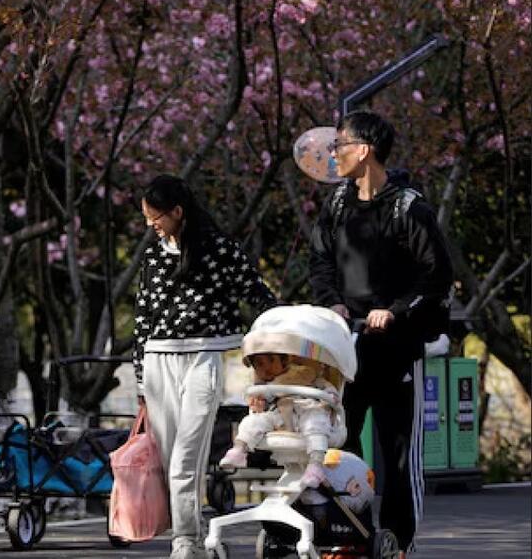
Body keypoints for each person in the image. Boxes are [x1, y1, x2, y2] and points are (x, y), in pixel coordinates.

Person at [309, 110, 452, 556]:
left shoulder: (409, 207)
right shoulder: (335, 204)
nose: (333, 155)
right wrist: (331, 299)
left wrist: (392, 311)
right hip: (345, 348)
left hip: (395, 349)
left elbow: (436, 277)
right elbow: (320, 260)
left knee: (397, 453)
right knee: (339, 445)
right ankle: (346, 532)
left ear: (364, 150)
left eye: (340, 146)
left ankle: (397, 541)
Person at [133, 174, 277, 559]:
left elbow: (260, 296)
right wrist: (140, 382)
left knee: (185, 459)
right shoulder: (152, 256)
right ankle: (193, 539)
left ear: (178, 212)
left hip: (205, 357)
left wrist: (269, 354)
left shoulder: (220, 251)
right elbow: (142, 319)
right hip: (158, 361)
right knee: (169, 463)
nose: (151, 225)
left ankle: (185, 543)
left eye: (156, 217)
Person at [218, 352, 342, 487]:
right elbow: (260, 405)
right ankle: (239, 450)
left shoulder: (306, 374)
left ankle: (315, 465)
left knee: (316, 422)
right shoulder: (266, 386)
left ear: (283, 360)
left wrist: (331, 394)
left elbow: (326, 387)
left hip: (307, 410)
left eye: (272, 361)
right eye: (259, 364)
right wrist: (258, 403)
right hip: (279, 419)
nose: (267, 367)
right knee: (253, 421)